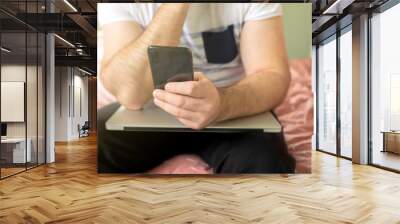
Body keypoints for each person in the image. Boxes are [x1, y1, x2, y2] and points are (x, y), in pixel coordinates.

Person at [97, 3, 295, 173]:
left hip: (232, 111)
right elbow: (130, 95)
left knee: (267, 161)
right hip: (151, 110)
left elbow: (272, 75)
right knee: (95, 142)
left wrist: (222, 104)